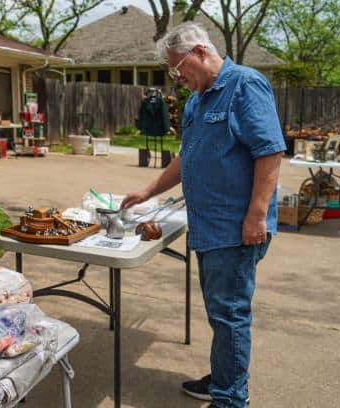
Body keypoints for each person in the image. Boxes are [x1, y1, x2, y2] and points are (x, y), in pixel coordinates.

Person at [121, 22, 286, 408]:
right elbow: (186, 156)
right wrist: (148, 190)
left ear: (199, 52)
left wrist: (256, 216)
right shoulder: (198, 100)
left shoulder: (245, 85)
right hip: (209, 228)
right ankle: (224, 377)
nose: (178, 78)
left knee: (229, 313)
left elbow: (270, 152)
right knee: (219, 312)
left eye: (180, 68)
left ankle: (230, 398)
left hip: (236, 228)